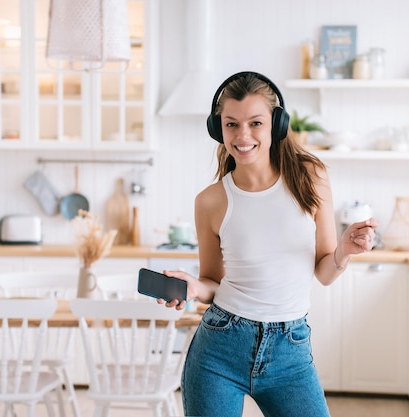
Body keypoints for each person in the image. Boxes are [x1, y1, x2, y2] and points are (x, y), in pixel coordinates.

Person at [159, 71, 378, 417]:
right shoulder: (210, 201)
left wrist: (343, 251)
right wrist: (192, 287)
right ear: (218, 129)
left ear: (276, 125)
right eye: (231, 124)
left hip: (290, 351)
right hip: (219, 349)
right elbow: (213, 282)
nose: (242, 136)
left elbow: (324, 272)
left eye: (255, 123)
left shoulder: (311, 177)